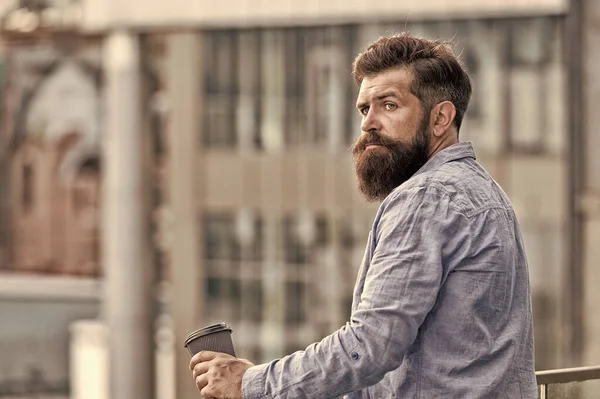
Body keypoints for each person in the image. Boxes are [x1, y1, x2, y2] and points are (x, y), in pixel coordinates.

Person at [190, 32, 537, 399]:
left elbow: (370, 346)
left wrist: (251, 383)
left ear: (440, 118)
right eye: (364, 108)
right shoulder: (486, 192)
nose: (368, 123)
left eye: (388, 105)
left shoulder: (425, 198)